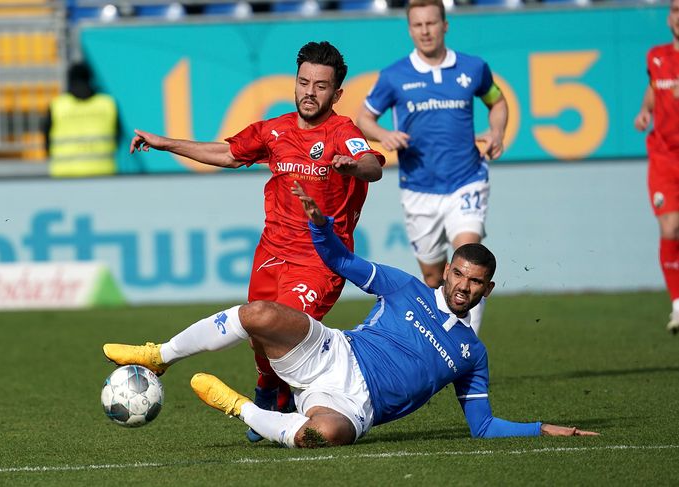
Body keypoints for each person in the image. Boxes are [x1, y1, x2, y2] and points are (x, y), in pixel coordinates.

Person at [103, 182, 598, 448]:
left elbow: (483, 427)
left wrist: (542, 429)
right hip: (332, 353)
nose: (464, 287)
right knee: (257, 312)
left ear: (487, 288)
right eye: (459, 275)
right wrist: (320, 225)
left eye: (475, 283)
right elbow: (342, 262)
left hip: (357, 407)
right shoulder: (407, 286)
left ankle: (240, 408)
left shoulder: (473, 353)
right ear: (447, 271)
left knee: (323, 436)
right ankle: (160, 354)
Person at [126, 41, 385, 439]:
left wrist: (354, 165)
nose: (309, 92)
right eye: (303, 82)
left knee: (283, 331)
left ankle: (288, 401)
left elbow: (371, 164)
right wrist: (166, 143)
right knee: (257, 333)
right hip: (271, 252)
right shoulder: (274, 129)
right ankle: (269, 393)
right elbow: (229, 153)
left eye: (320, 86)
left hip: (318, 261)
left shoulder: (342, 131)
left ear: (336, 94)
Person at [356, 0, 508, 335]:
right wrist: (385, 135)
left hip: (467, 180)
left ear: (445, 25)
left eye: (431, 23)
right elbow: (364, 119)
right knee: (434, 277)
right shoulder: (394, 76)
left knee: (468, 261)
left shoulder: (473, 68)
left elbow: (496, 101)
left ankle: (466, 349)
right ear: (410, 29)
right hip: (418, 189)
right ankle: (442, 339)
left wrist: (497, 132)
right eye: (418, 25)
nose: (425, 31)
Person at [634, 0, 679, 335]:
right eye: (676, 9)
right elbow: (654, 88)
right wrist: (645, 111)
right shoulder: (656, 55)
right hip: (664, 156)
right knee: (669, 229)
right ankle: (678, 304)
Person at [42, 61, 120, 177]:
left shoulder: (58, 106)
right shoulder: (107, 104)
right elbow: (118, 136)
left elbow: (46, 140)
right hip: (102, 173)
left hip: (64, 175)